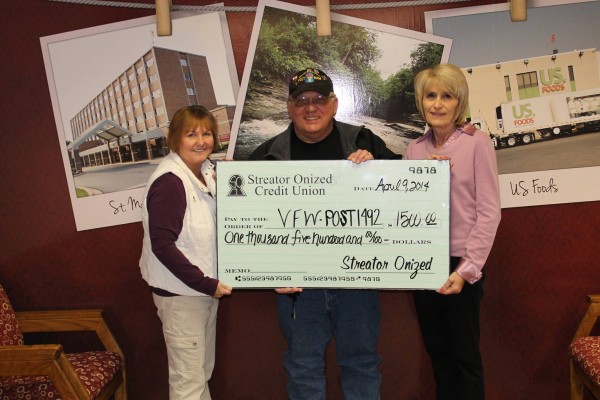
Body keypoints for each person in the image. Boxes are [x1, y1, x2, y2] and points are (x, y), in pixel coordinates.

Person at [249, 67, 399, 400]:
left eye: (319, 99)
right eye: (301, 100)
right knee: (303, 368)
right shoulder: (264, 156)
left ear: (333, 103)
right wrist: (266, 270)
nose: (310, 107)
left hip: (357, 281)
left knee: (361, 363)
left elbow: (408, 195)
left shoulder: (364, 141)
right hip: (299, 288)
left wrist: (378, 170)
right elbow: (247, 227)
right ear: (289, 107)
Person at [405, 63, 501, 400]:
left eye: (447, 96)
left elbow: (489, 212)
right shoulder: (414, 149)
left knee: (465, 359)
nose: (438, 104)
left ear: (459, 102)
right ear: (422, 101)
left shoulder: (478, 143)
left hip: (462, 266)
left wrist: (466, 270)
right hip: (423, 267)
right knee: (440, 358)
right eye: (431, 96)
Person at [139, 105, 232, 400]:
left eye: (206, 133)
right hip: (183, 297)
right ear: (175, 138)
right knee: (188, 383)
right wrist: (208, 284)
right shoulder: (170, 182)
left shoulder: (207, 174)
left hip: (202, 292)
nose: (201, 141)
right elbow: (163, 246)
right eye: (191, 134)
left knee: (199, 375)